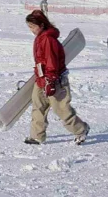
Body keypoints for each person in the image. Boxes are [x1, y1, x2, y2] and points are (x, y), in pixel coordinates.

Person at [23, 10, 89, 146]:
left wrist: (51, 80)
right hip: (41, 79)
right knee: (38, 107)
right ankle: (37, 136)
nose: (32, 30)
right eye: (29, 27)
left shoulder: (48, 39)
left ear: (42, 25)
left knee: (61, 109)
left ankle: (81, 129)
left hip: (55, 80)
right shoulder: (40, 37)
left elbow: (51, 61)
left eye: (33, 26)